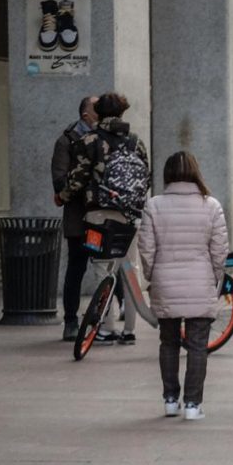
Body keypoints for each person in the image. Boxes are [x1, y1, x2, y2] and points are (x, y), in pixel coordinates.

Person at [137, 152, 229, 421]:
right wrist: (213, 277)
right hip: (200, 280)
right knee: (198, 345)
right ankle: (192, 404)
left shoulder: (154, 206)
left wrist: (154, 274)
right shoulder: (211, 205)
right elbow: (219, 250)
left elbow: (146, 248)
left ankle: (169, 400)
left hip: (165, 280)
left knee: (168, 342)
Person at [58, 91, 151, 345]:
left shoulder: (89, 141)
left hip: (98, 214)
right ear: (122, 113)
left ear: (99, 114)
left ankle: (106, 328)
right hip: (129, 215)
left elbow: (77, 178)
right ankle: (130, 330)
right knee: (129, 270)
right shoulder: (135, 141)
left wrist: (62, 196)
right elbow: (146, 177)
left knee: (102, 269)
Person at [52, 94, 98, 341]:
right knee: (77, 267)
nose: (101, 114)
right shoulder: (66, 141)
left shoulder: (105, 138)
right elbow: (59, 182)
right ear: (85, 115)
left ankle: (113, 311)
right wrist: (85, 182)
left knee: (108, 266)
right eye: (97, 109)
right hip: (79, 218)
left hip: (102, 216)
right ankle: (71, 319)